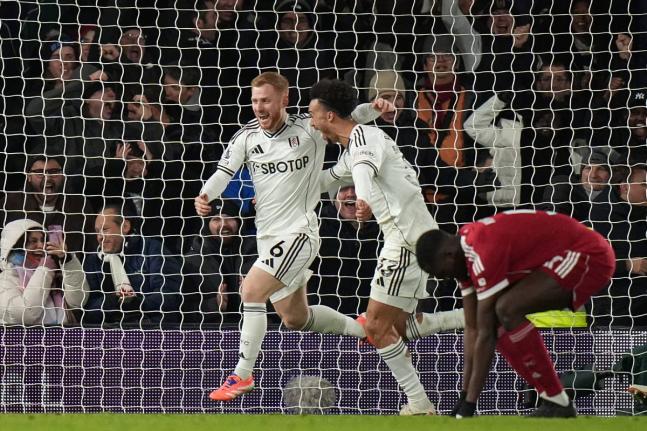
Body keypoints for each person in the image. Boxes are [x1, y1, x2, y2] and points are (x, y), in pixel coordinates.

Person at [195, 71, 393, 401]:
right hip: (268, 238)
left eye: (266, 100)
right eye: (255, 100)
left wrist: (374, 108)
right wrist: (205, 196)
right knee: (295, 318)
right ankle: (365, 328)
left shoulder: (307, 128)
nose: (259, 107)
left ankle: (241, 374)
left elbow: (347, 118)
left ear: (283, 100)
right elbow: (223, 172)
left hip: (299, 232)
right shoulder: (246, 137)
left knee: (251, 291)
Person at [312, 79, 464, 416]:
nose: (311, 122)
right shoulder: (361, 141)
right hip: (418, 237)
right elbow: (331, 177)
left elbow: (363, 171)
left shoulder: (364, 139)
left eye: (313, 114)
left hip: (405, 244)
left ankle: (420, 404)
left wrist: (363, 198)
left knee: (377, 328)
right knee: (400, 327)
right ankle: (478, 317)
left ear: (330, 115)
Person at [416, 210, 616, 417]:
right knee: (500, 316)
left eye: (442, 273)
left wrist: (469, 404)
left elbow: (485, 335)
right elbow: (472, 328)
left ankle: (556, 400)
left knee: (506, 309)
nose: (445, 278)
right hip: (558, 257)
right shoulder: (465, 255)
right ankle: (556, 401)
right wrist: (464, 395)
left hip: (588, 253)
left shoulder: (483, 250)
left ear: (448, 255)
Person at [82, 202, 182, 328]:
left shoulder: (152, 249)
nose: (100, 237)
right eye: (97, 232)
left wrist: (136, 303)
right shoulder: (93, 261)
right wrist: (110, 302)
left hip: (153, 330)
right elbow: (87, 310)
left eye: (105, 229)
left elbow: (170, 295)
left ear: (125, 226)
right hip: (108, 334)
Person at [0, 219, 88, 325]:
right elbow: (25, 315)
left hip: (63, 338)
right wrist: (44, 270)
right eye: (33, 241)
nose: (41, 246)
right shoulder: (5, 279)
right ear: (17, 246)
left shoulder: (55, 272)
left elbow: (78, 302)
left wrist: (67, 260)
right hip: (25, 340)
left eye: (43, 240)